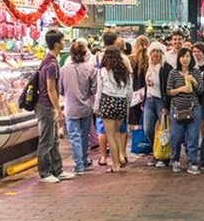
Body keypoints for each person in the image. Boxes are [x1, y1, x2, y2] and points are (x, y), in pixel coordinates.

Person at [37, 29, 73, 184]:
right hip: (46, 105)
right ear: (57, 43)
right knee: (46, 140)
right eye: (62, 40)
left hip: (47, 104)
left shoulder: (49, 60)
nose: (64, 43)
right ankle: (45, 173)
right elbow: (50, 88)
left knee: (53, 140)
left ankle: (57, 170)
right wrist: (58, 109)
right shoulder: (51, 64)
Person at [60, 40, 97, 176]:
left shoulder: (64, 70)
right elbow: (94, 89)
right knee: (84, 136)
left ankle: (79, 165)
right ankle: (84, 160)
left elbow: (60, 89)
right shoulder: (90, 69)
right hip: (86, 106)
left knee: (74, 136)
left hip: (70, 107)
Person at [94, 47, 134, 172]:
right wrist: (127, 105)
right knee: (117, 133)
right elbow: (129, 91)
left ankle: (115, 164)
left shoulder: (103, 71)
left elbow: (99, 91)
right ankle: (120, 157)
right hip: (121, 102)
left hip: (107, 101)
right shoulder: (126, 72)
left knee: (110, 135)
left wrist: (96, 106)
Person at [167, 47, 203, 174]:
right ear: (179, 58)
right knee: (176, 136)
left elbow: (200, 91)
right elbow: (169, 91)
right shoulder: (173, 73)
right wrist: (181, 89)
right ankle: (175, 160)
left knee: (193, 137)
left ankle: (192, 162)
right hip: (177, 108)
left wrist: (193, 81)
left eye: (188, 56)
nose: (185, 59)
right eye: (183, 56)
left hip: (193, 108)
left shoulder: (196, 72)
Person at [144, 42, 173, 167]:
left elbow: (168, 88)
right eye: (153, 51)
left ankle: (164, 156)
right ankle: (156, 152)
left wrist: (166, 106)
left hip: (161, 100)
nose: (155, 54)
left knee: (164, 129)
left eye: (157, 51)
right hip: (149, 101)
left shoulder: (166, 68)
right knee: (148, 128)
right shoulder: (148, 67)